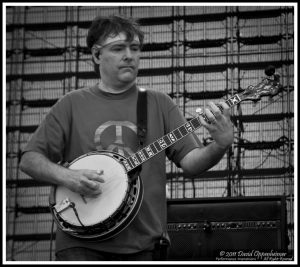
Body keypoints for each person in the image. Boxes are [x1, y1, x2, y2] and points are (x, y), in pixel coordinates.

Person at [19, 15, 234, 261]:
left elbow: (192, 163)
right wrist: (68, 176)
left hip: (146, 246)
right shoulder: (71, 104)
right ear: (97, 55)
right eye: (118, 48)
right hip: (80, 244)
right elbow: (29, 159)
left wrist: (220, 144)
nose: (129, 55)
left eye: (135, 48)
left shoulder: (159, 103)